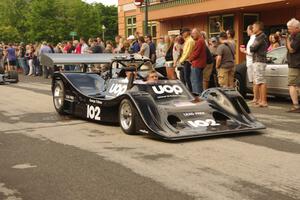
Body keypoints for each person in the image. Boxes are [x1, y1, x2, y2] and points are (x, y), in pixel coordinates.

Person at [250, 21, 268, 107]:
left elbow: (252, 47)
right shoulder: (259, 36)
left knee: (261, 81)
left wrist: (251, 47)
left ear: (258, 28)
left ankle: (263, 101)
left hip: (259, 61)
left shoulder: (260, 37)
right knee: (259, 80)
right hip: (258, 61)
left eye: (253, 27)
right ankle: (261, 100)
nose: (252, 29)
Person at [240, 25, 258, 103]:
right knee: (254, 81)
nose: (247, 31)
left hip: (252, 62)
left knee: (255, 81)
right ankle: (256, 98)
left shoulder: (253, 39)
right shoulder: (252, 39)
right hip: (250, 62)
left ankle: (256, 98)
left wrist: (243, 51)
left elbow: (251, 53)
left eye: (247, 30)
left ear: (251, 30)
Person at [286, 18, 300, 112]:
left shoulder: (298, 36)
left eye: (290, 28)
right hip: (297, 63)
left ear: (297, 28)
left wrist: (287, 40)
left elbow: (292, 49)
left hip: (295, 64)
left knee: (292, 84)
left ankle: (296, 106)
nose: (289, 30)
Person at [188, 28, 207, 95]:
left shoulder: (199, 41)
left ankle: (197, 97)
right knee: (198, 82)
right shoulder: (201, 40)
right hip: (200, 64)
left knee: (195, 82)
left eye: (193, 33)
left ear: (198, 33)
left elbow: (196, 53)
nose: (192, 35)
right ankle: (200, 96)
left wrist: (189, 59)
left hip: (197, 64)